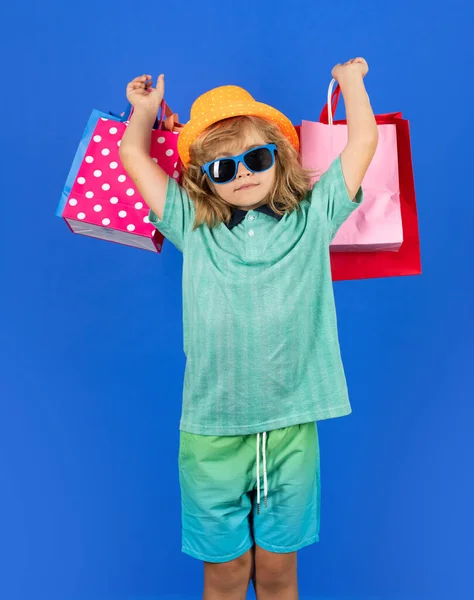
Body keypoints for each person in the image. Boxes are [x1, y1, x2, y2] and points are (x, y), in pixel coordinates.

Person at [119, 59, 378, 600]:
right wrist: (143, 114)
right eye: (223, 168)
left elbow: (362, 145)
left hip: (291, 428)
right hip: (213, 431)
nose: (243, 174)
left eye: (255, 158)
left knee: (280, 573)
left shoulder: (313, 218)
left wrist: (351, 85)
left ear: (278, 157)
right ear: (202, 178)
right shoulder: (192, 222)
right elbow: (132, 156)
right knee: (228, 573)